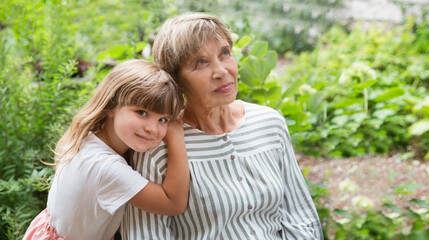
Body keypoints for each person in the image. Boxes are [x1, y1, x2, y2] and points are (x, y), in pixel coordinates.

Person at [121, 13, 323, 239]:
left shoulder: (270, 123)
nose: (221, 72)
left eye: (225, 53)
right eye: (201, 63)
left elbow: (301, 216)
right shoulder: (158, 143)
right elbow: (146, 234)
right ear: (176, 81)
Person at [22, 59, 190, 240]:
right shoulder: (106, 167)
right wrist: (176, 138)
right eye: (142, 112)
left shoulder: (91, 138)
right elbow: (173, 203)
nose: (152, 128)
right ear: (111, 106)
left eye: (163, 119)